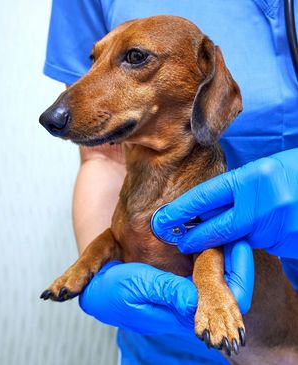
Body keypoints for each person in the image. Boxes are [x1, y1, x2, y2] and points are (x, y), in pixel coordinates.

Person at [43, 1, 298, 364]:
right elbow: (102, 156)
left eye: (134, 57)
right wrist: (102, 268)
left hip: (281, 338)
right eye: (96, 59)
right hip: (158, 352)